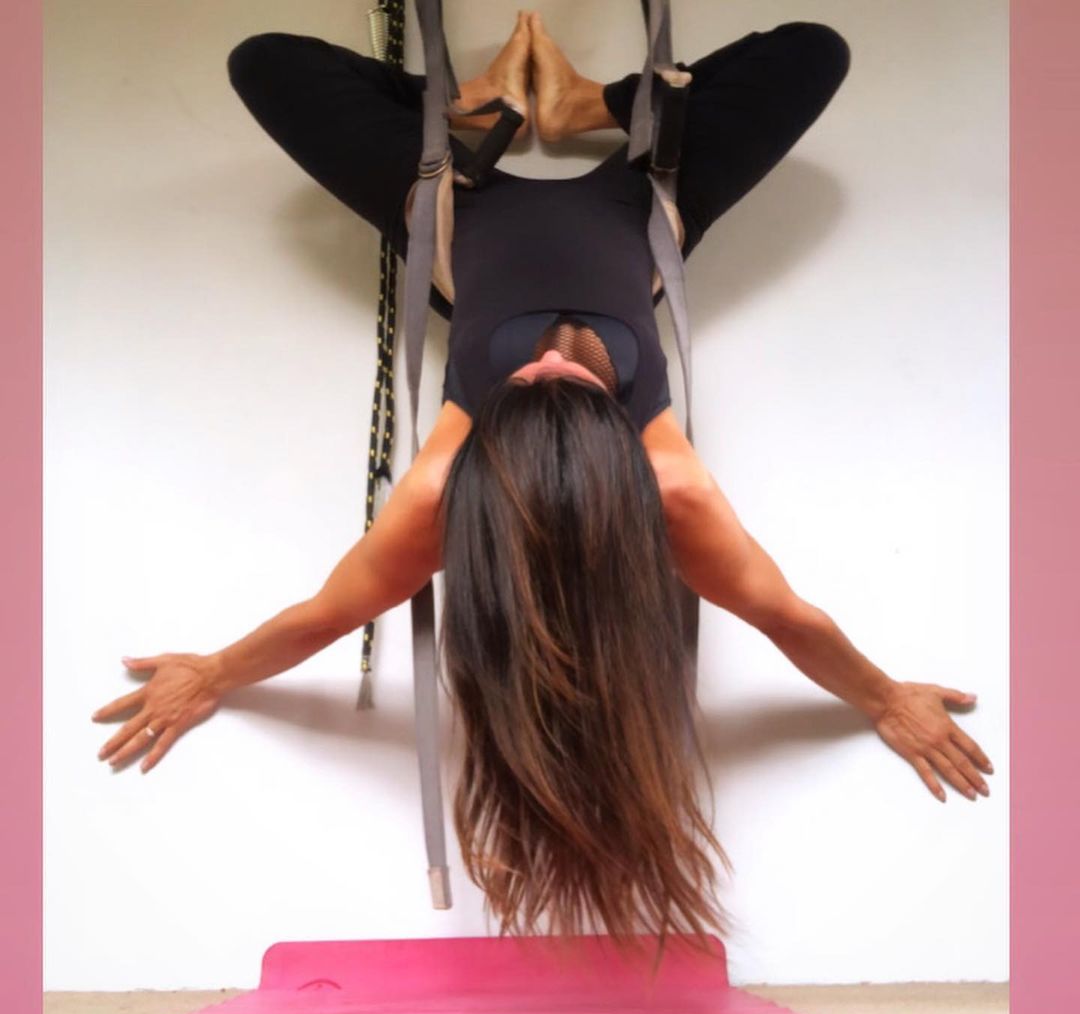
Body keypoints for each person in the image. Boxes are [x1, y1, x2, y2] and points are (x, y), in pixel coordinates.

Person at [92, 12, 993, 952]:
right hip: (637, 204)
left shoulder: (445, 484)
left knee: (264, 64)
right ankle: (580, 105)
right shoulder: (671, 484)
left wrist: (214, 671)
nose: (550, 359)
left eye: (525, 383)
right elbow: (787, 615)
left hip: (461, 205)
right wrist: (886, 696)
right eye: (562, 380)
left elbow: (325, 613)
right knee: (814, 54)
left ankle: (502, 106)